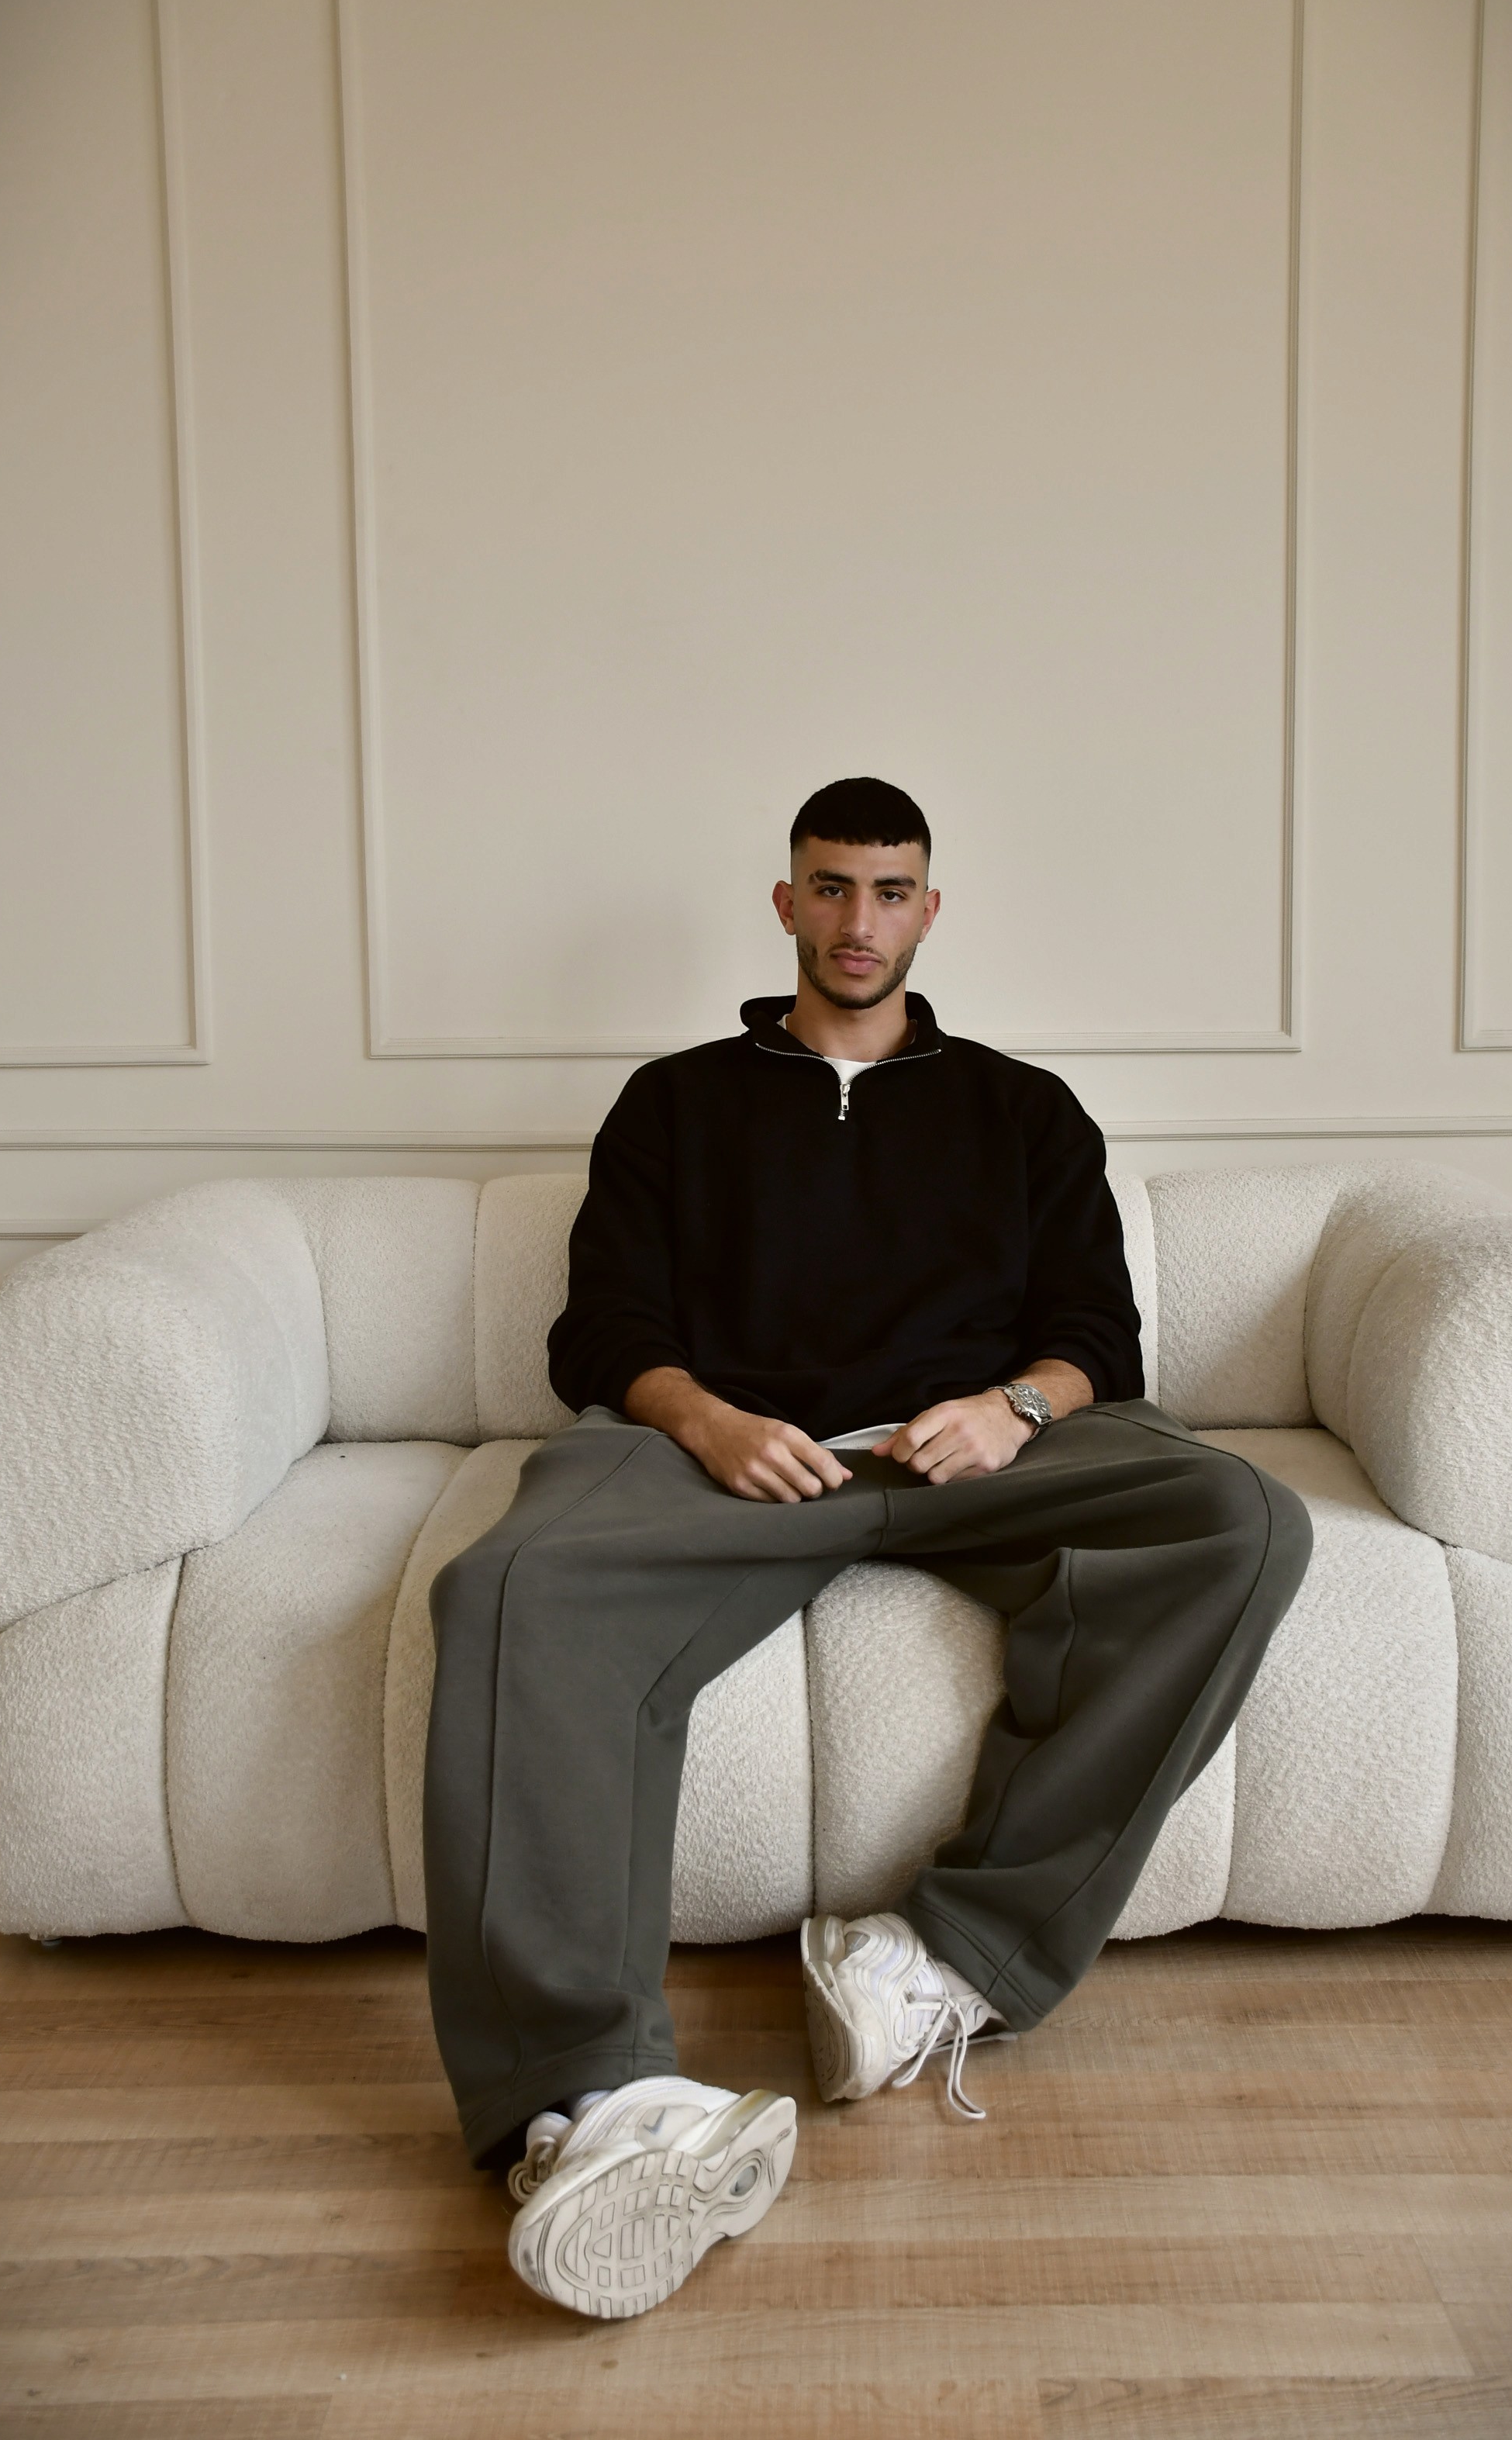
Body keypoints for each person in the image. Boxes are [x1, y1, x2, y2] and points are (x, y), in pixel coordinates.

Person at [424, 776, 1312, 2321]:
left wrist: (1015, 1409)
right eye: (829, 888)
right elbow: (604, 1329)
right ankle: (588, 2109)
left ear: (928, 907)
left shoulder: (1022, 1110)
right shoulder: (673, 1103)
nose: (857, 921)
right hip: (737, 1462)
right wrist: (701, 1423)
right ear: (783, 904)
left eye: (888, 890)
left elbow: (1096, 1333)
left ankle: (942, 1960)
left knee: (1236, 1514)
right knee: (505, 1583)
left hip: (964, 1460)